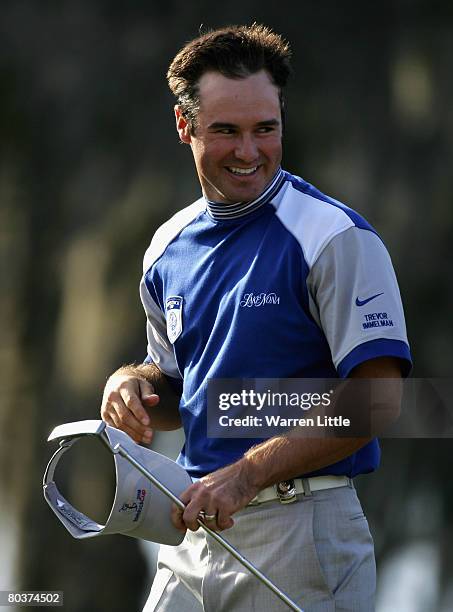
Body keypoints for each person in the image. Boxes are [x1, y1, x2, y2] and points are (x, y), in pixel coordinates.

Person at [100, 24, 412, 611]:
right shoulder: (167, 246)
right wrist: (133, 386)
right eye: (226, 131)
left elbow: (380, 402)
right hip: (191, 525)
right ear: (183, 126)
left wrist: (246, 474)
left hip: (304, 529)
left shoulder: (333, 236)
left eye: (264, 129)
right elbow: (177, 394)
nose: (249, 152)